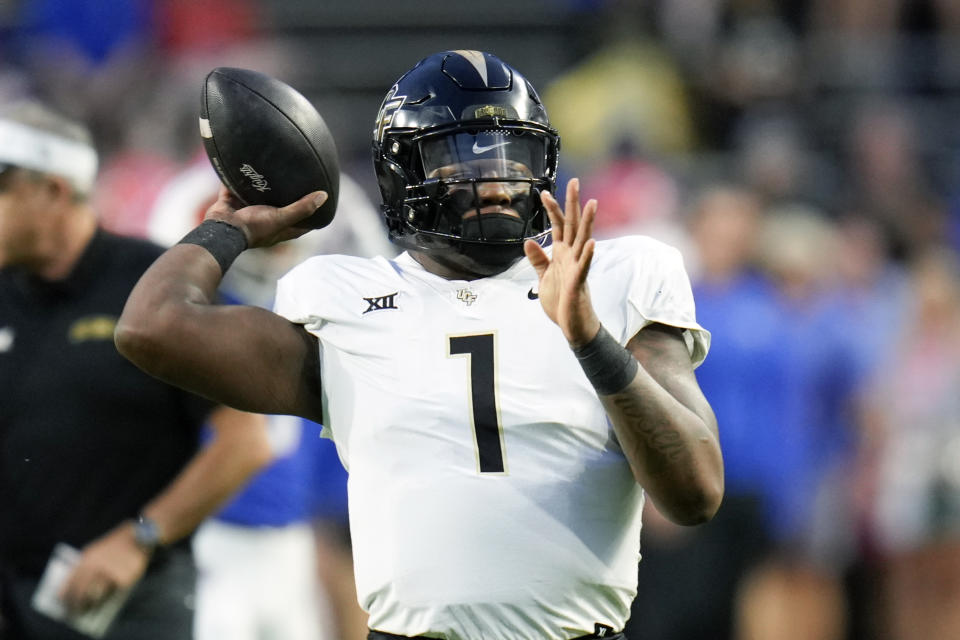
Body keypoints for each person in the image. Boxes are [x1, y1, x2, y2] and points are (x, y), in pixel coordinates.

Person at [115, 50, 724, 640]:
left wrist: (591, 341)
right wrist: (230, 226)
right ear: (401, 172)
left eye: (513, 154)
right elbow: (151, 327)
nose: (494, 182)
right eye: (459, 159)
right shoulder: (344, 300)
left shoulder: (616, 274)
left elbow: (696, 492)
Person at [0, 101, 272, 639]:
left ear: (53, 191)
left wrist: (141, 537)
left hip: (130, 602)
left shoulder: (153, 286)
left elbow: (245, 441)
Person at [145, 160, 391, 640]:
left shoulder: (319, 335)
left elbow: (329, 505)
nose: (278, 248)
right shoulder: (209, 322)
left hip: (289, 544)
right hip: (212, 538)